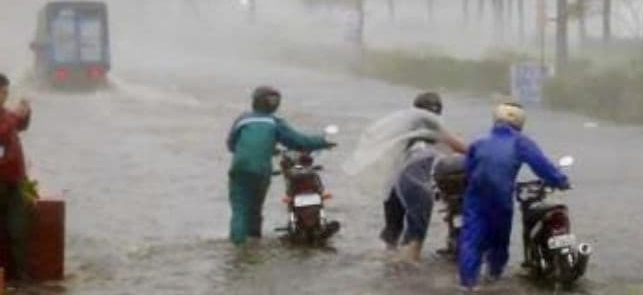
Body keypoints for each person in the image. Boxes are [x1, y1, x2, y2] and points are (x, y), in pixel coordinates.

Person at [457, 100, 569, 292]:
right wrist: (561, 181)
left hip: (475, 198)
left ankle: (468, 284)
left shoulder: (478, 142)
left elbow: (468, 170)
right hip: (501, 199)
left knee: (471, 240)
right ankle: (494, 277)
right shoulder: (521, 142)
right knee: (499, 240)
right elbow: (542, 167)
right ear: (520, 121)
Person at [354, 91, 467, 259]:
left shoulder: (403, 128)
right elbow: (462, 148)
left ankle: (389, 272)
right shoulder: (432, 127)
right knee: (415, 241)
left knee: (392, 235)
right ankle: (409, 276)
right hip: (416, 184)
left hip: (393, 184)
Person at [225, 85, 333, 245]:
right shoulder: (274, 123)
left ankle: (237, 248)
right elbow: (298, 141)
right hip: (261, 170)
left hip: (239, 169)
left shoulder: (243, 120)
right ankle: (254, 243)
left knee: (240, 209)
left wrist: (266, 149)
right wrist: (322, 142)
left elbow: (231, 145)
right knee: (255, 209)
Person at [0, 74, 32, 281]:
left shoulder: (5, 114)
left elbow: (20, 125)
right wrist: (14, 117)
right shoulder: (6, 117)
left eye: (5, 92)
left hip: (15, 180)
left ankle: (20, 278)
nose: (4, 96)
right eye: (1, 92)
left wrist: (25, 113)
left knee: (17, 231)